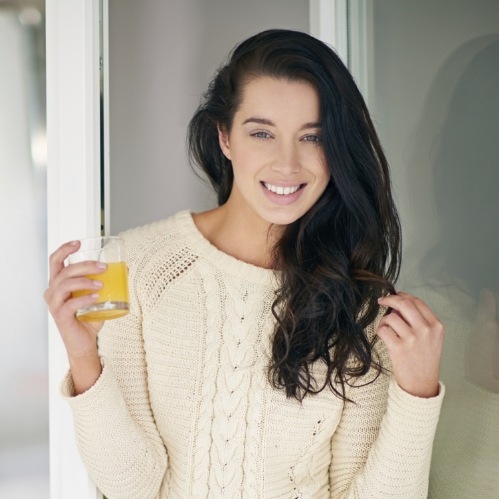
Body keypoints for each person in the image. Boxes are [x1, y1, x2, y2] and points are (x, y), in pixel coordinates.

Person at [44, 29, 445, 498]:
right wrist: (83, 357)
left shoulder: (359, 304)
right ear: (225, 137)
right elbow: (131, 487)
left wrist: (418, 393)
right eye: (262, 133)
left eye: (312, 137)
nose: (288, 164)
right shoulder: (139, 266)